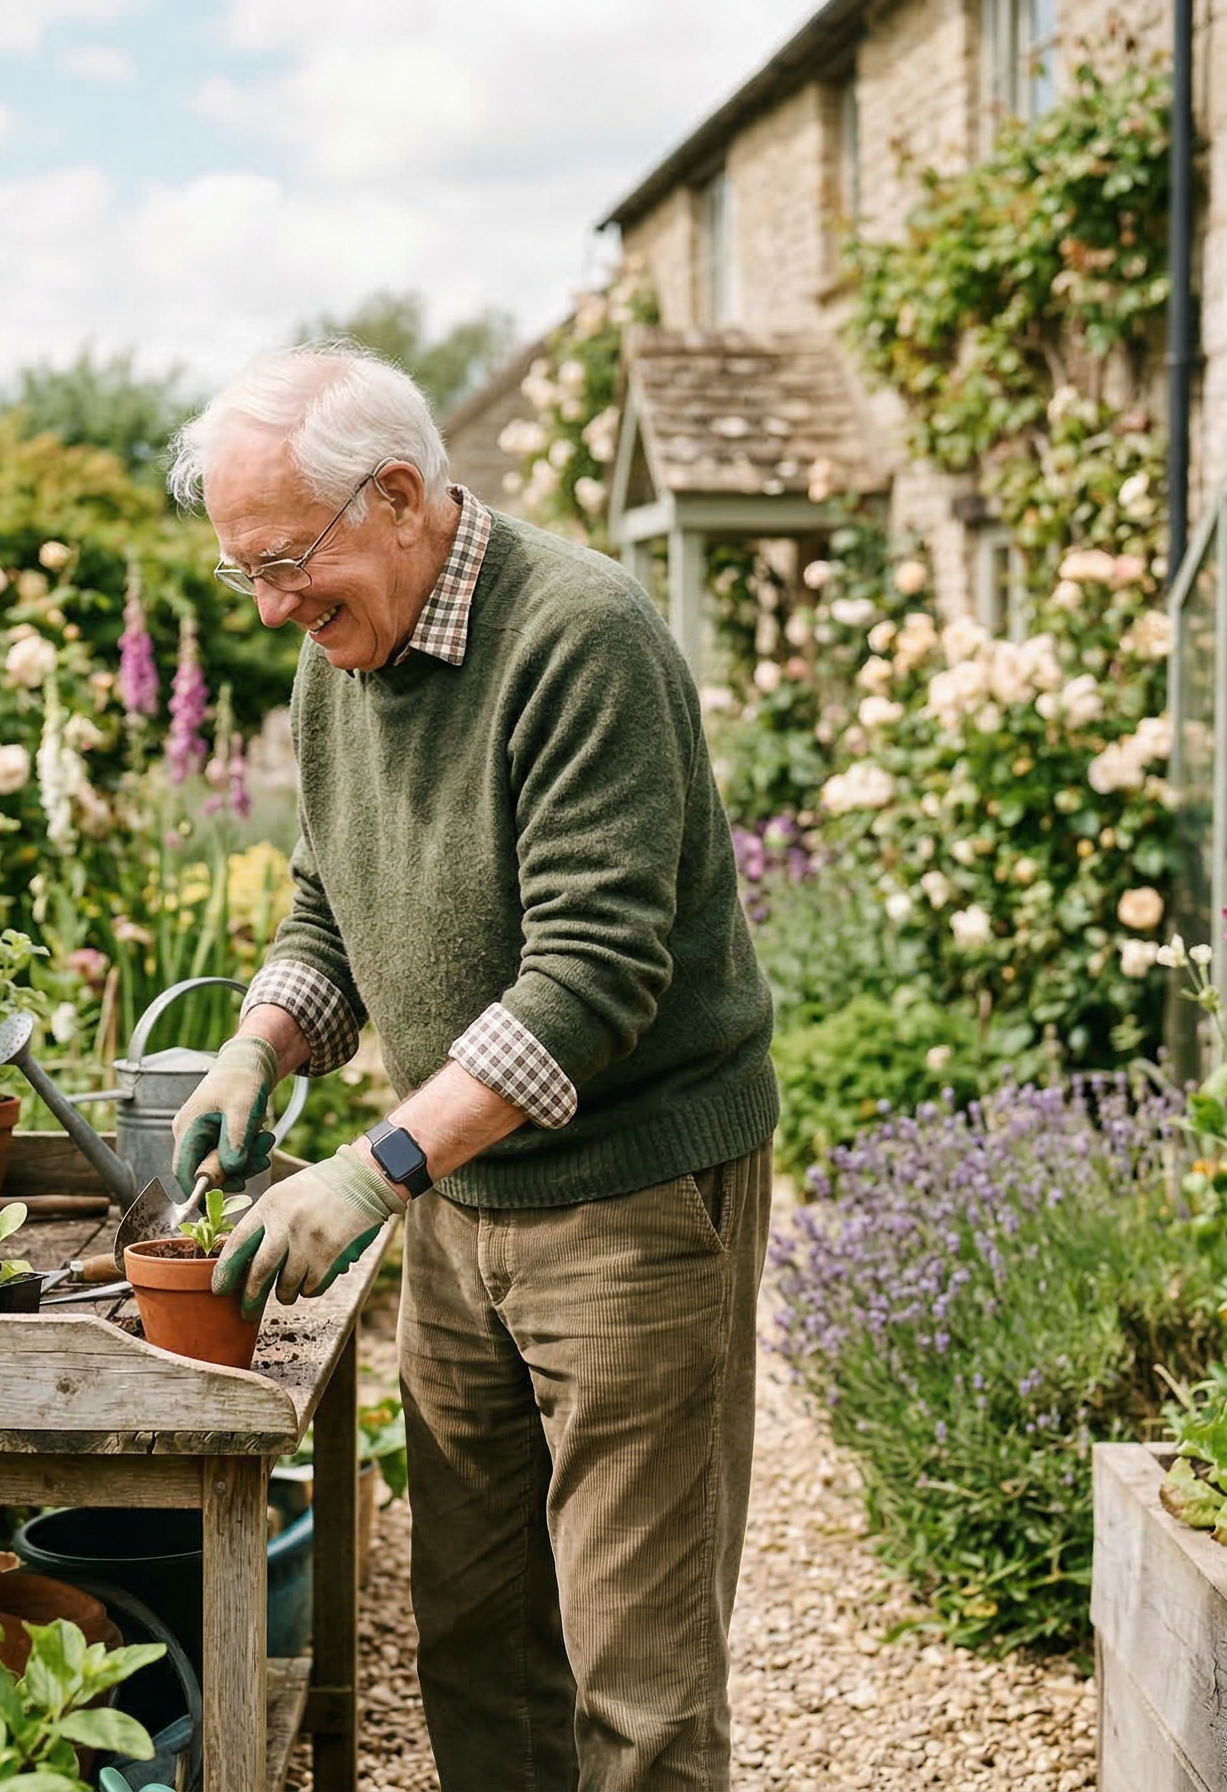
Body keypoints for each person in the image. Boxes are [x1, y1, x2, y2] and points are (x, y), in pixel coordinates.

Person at [165, 342, 777, 1792]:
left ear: (396, 495)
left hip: (628, 1193)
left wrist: (369, 1171)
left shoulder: (579, 636)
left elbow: (589, 979)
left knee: (637, 1674)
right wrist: (264, 1042)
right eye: (239, 574)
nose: (270, 607)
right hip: (457, 1192)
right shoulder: (342, 654)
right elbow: (332, 896)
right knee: (481, 1645)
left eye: (285, 562)